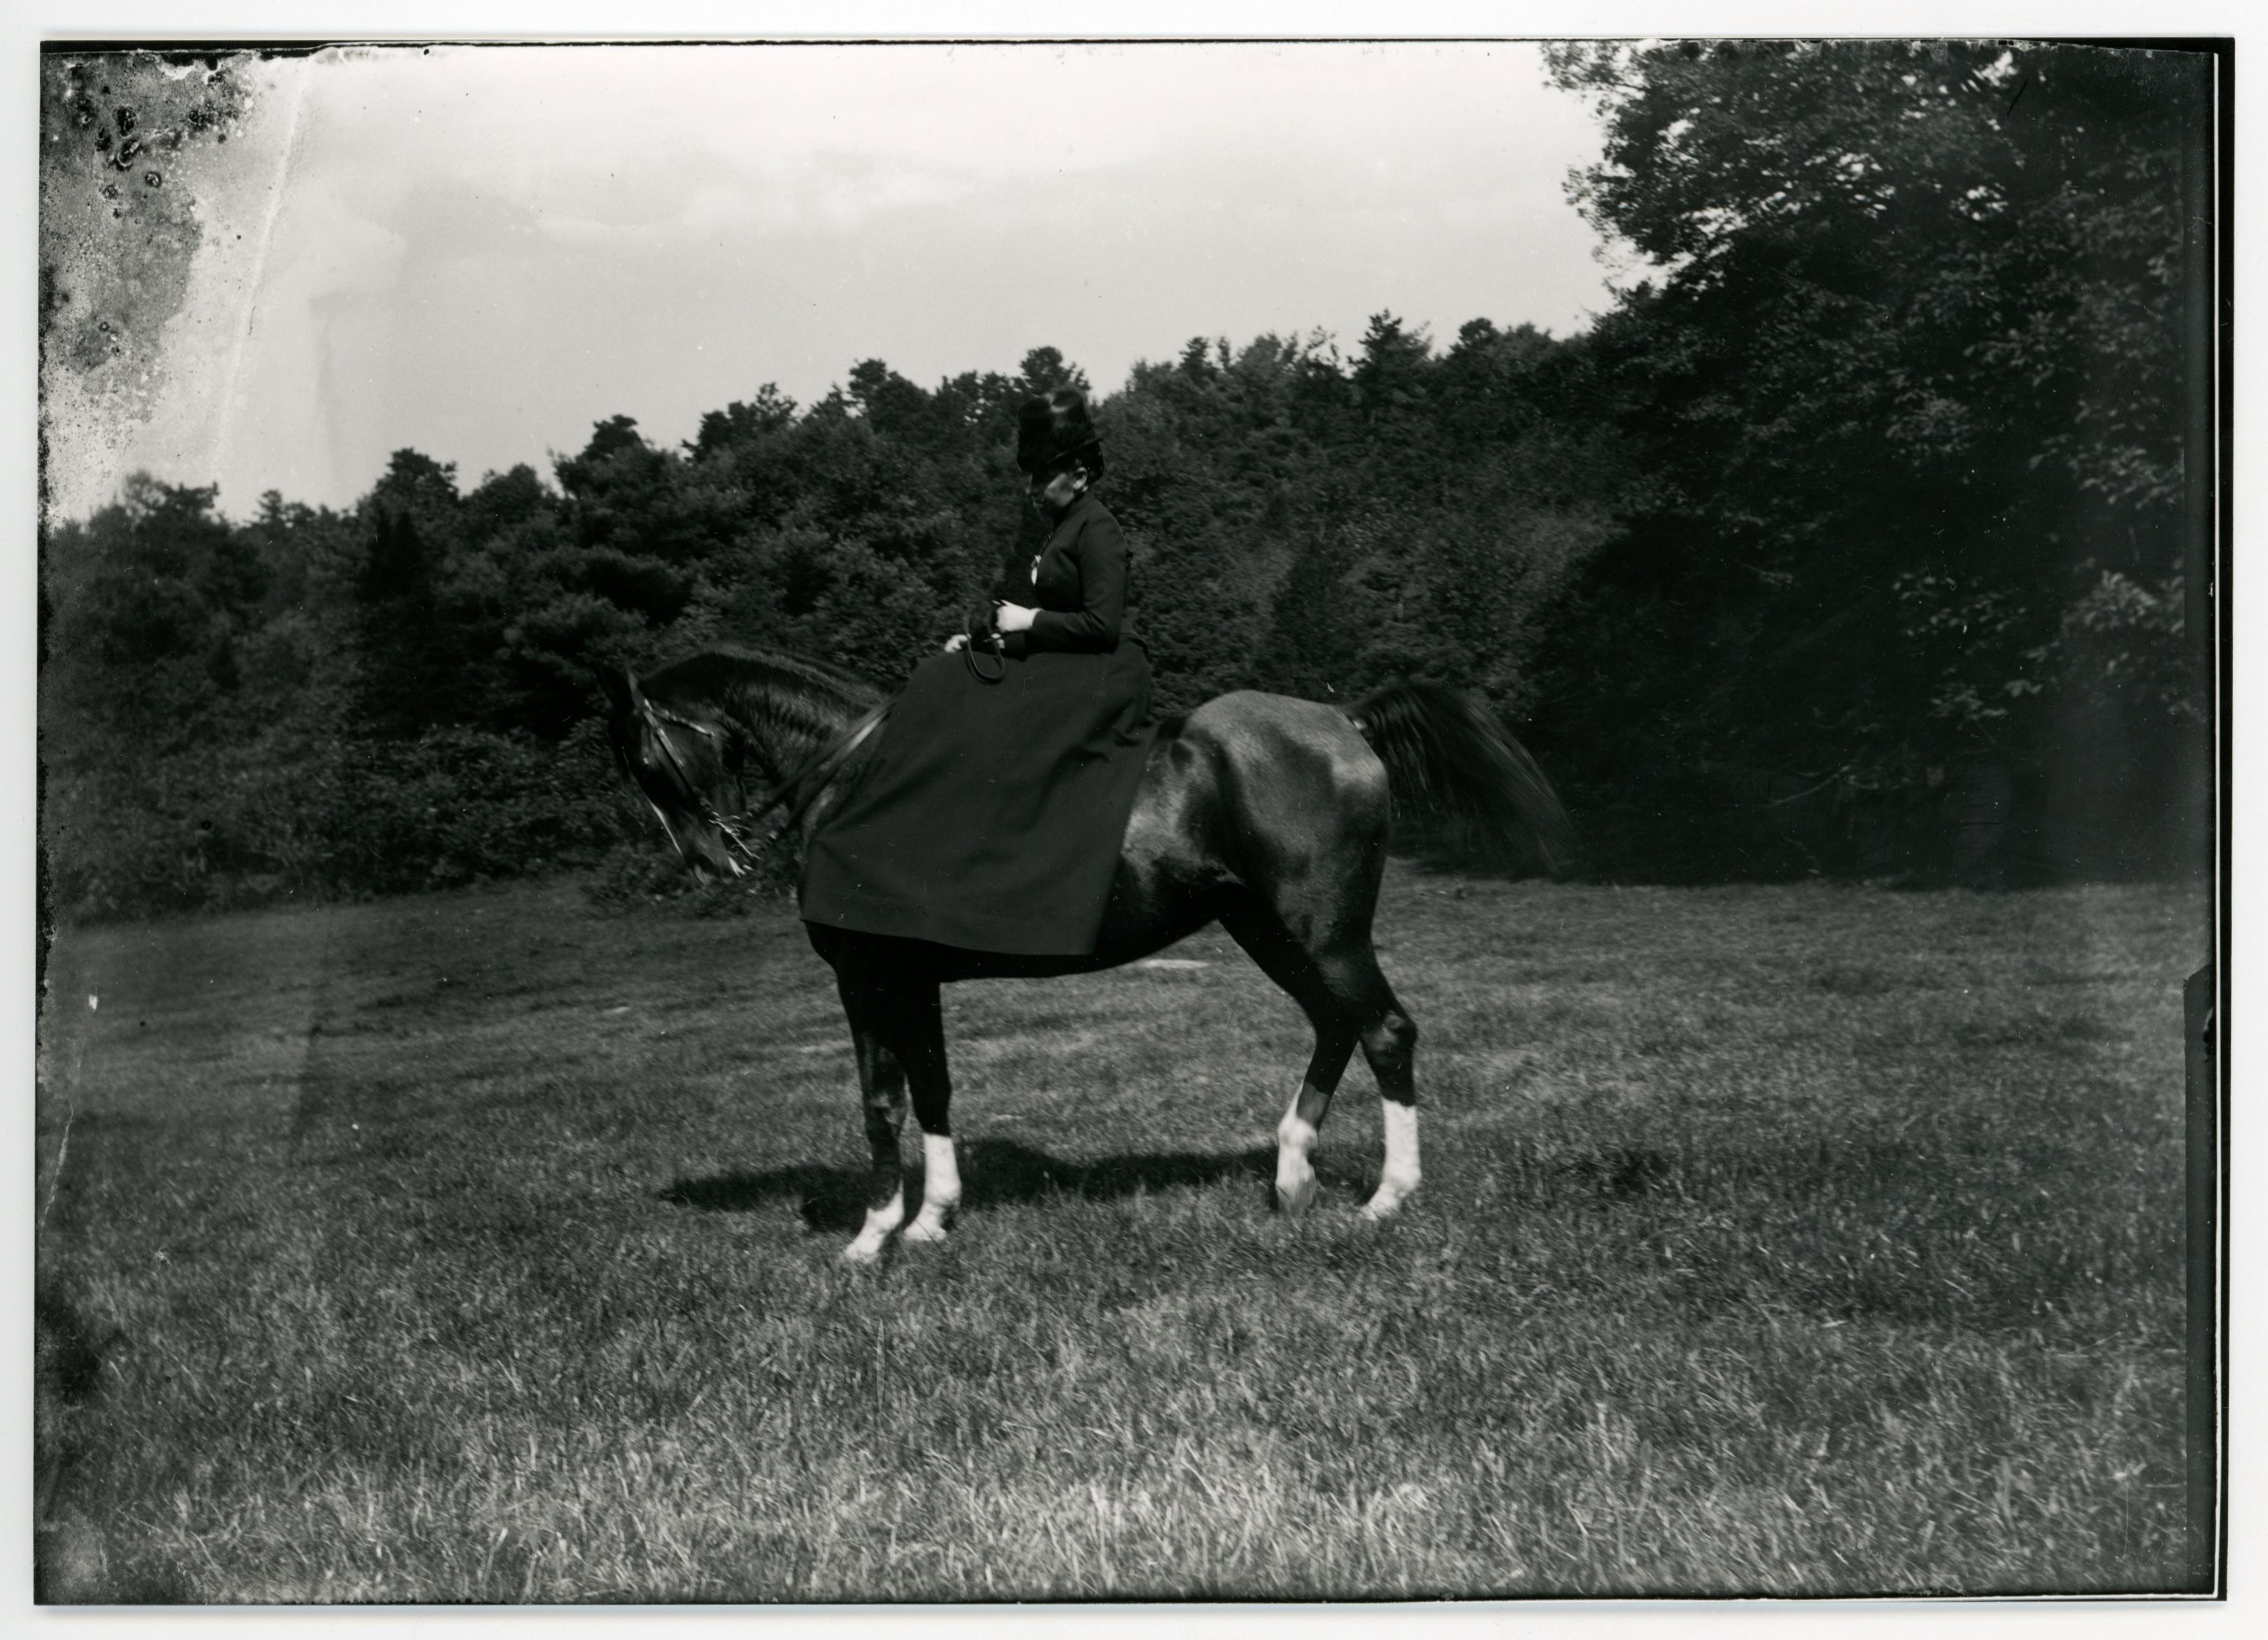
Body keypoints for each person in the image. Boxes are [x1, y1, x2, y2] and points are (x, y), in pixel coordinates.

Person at [798, 389, 1157, 957]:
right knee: (943, 678)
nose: (1030, 490)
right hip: (1070, 662)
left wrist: (1029, 618)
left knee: (988, 715)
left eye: (1041, 478)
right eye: (1028, 478)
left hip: (1104, 671)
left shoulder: (1098, 529)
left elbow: (1100, 626)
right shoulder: (1063, 527)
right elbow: (1048, 626)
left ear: (1080, 475)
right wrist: (986, 639)